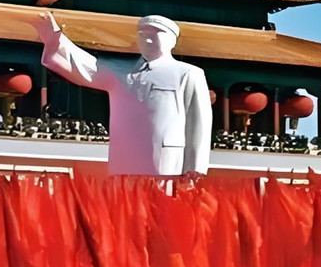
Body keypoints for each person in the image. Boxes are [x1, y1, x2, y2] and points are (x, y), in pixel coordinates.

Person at [30, 10, 212, 177]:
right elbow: (86, 65)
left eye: (156, 35)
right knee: (124, 207)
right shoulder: (123, 72)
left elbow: (198, 122)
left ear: (172, 40)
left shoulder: (187, 73)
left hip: (167, 163)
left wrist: (195, 168)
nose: (147, 40)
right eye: (142, 35)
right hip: (124, 159)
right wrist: (53, 37)